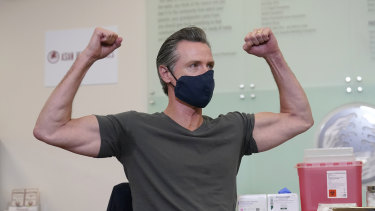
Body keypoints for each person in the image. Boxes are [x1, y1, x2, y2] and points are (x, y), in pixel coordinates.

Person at [34, 26, 313, 210]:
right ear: (166, 74)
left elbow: (299, 118)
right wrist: (87, 57)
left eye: (209, 66)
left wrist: (273, 55)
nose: (206, 74)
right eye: (194, 66)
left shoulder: (233, 129)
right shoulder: (133, 129)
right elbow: (50, 129)